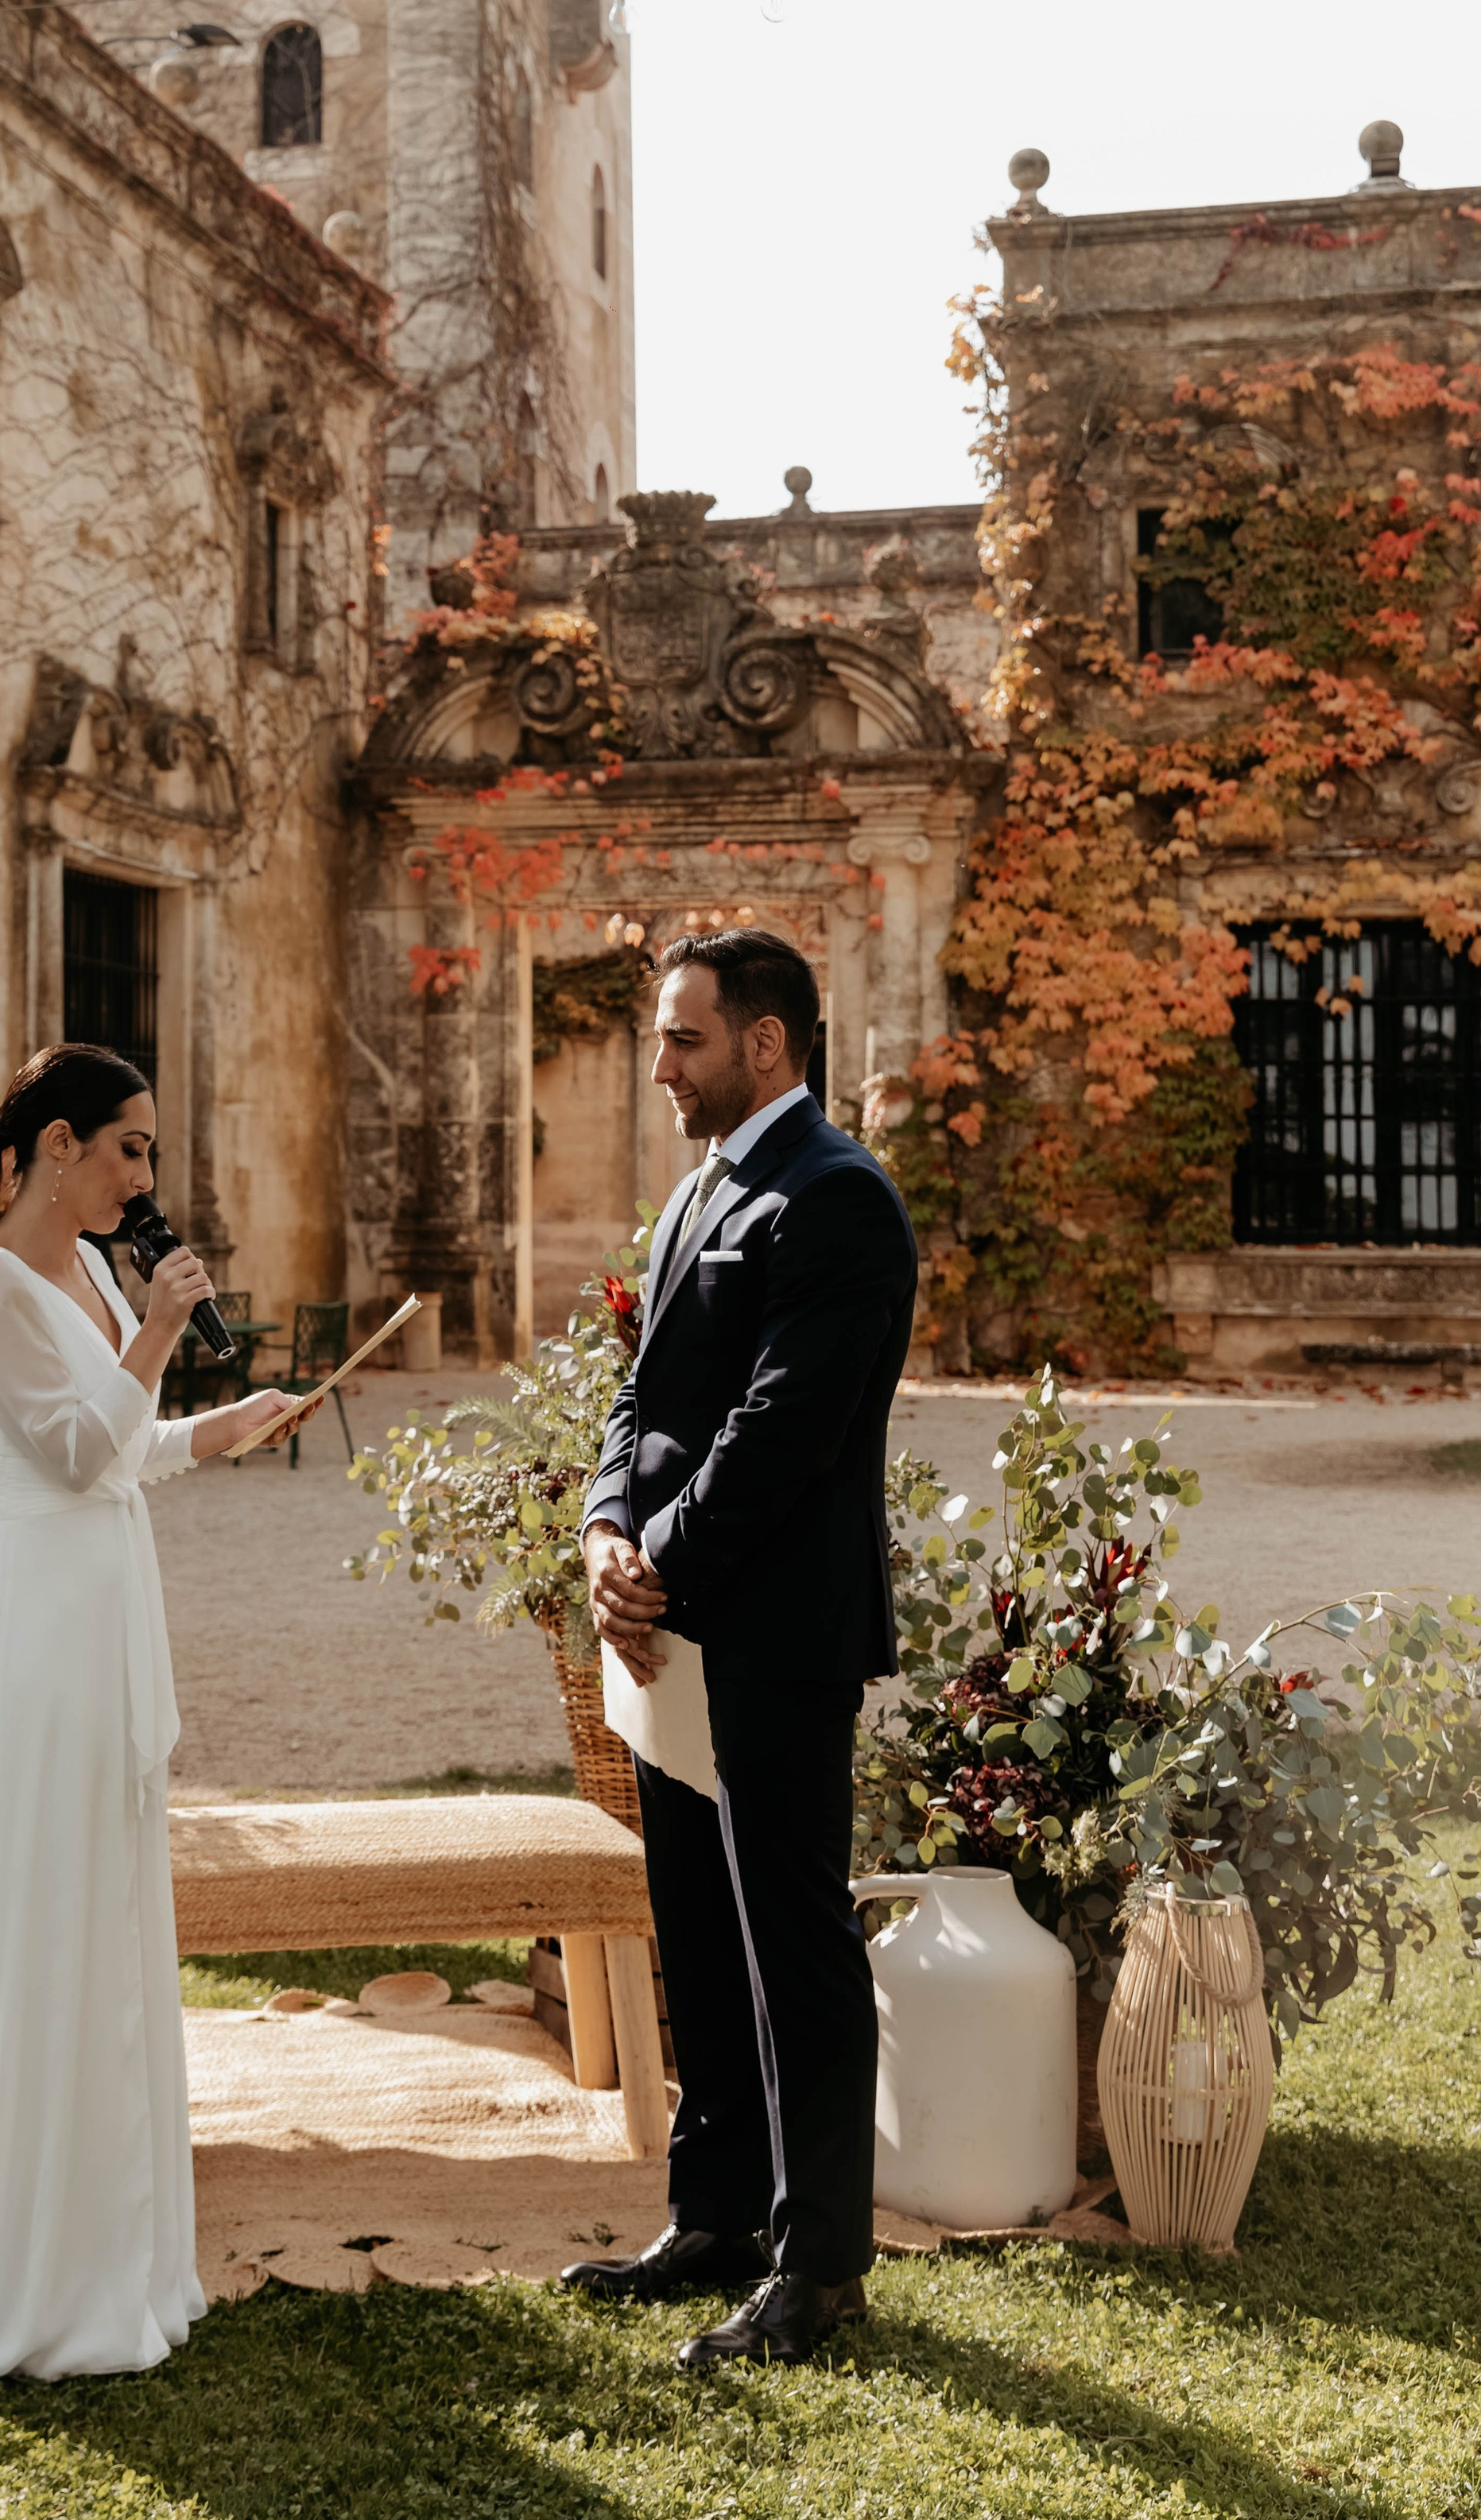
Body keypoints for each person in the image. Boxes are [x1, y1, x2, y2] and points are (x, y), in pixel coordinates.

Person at [0, 1043, 300, 2378]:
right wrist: (161, 1327)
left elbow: (124, 1451)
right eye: (129, 1146)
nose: (144, 1174)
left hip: (99, 1607)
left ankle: (108, 2236)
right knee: (35, 1913)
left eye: (149, 1152)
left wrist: (223, 1427)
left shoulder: (98, 1271)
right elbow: (63, 1452)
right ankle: (21, 2257)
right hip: (27, 1625)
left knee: (102, 1909)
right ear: (54, 1146)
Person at [561, 930, 916, 2370]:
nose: (658, 1065)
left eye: (681, 1039)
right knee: (698, 1933)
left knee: (793, 1941)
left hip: (772, 1631)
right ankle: (713, 2215)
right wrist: (600, 1528)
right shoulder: (700, 1186)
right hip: (672, 1628)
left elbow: (786, 1430)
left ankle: (820, 2264)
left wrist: (663, 1564)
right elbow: (638, 1395)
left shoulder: (839, 1200)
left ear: (767, 1044)